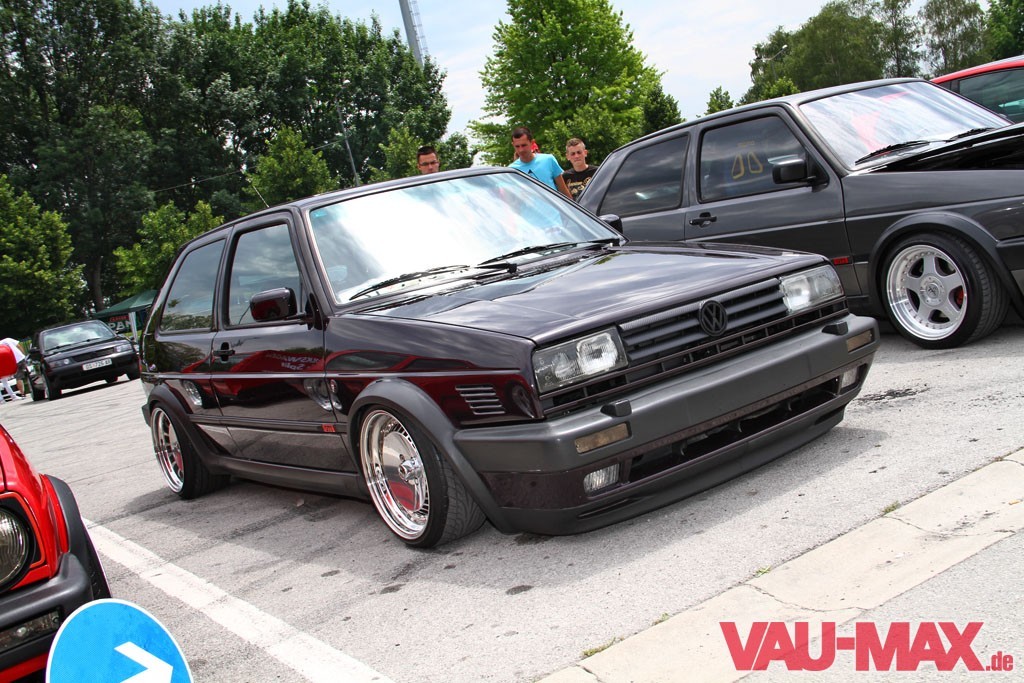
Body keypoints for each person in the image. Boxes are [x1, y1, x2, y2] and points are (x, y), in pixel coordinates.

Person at [509, 127, 573, 200]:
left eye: (524, 145)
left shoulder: (549, 160)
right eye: (517, 146)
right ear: (513, 145)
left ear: (532, 143)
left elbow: (563, 190)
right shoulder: (512, 170)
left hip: (552, 207)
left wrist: (573, 207)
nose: (521, 150)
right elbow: (512, 199)